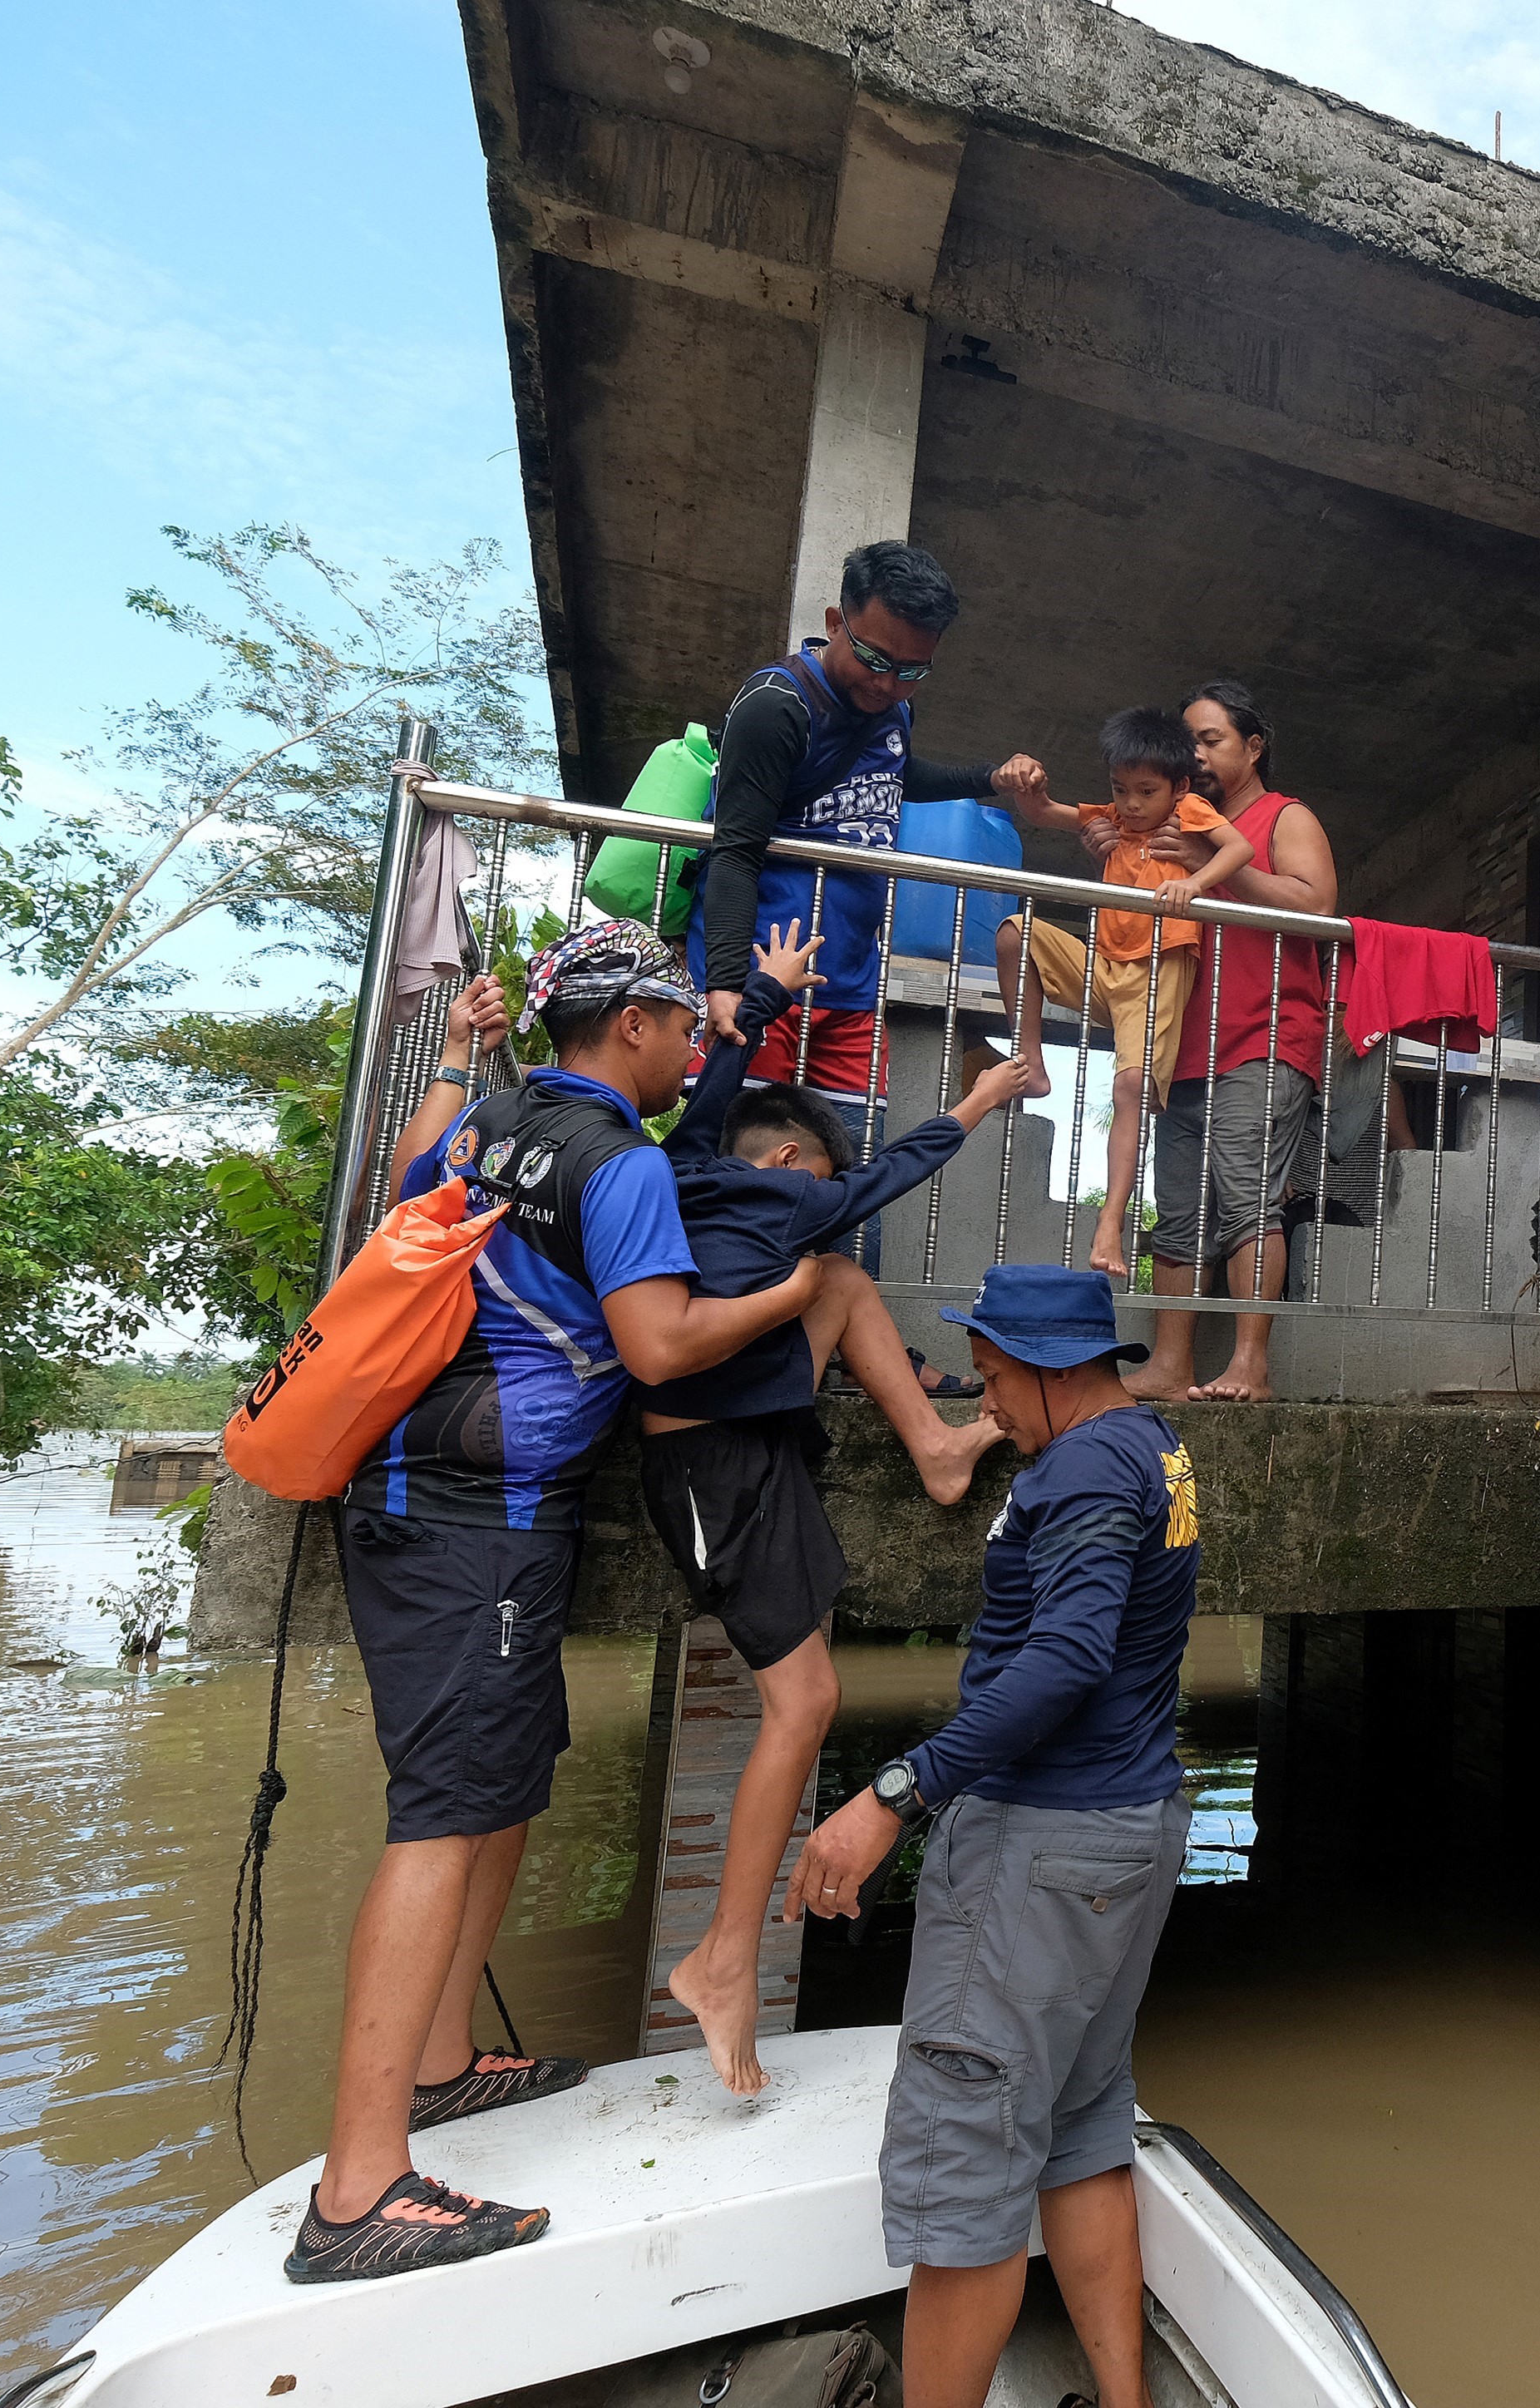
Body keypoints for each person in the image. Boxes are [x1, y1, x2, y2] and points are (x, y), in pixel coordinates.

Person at [291, 920, 836, 2284]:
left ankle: (439, 2065)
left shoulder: (494, 1115)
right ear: (637, 1025)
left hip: (445, 1493)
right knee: (446, 1809)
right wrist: (790, 1291)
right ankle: (358, 2190)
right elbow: (658, 1340)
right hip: (473, 1512)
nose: (692, 1050)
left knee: (509, 1779)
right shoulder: (621, 1158)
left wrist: (467, 1056)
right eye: (682, 1027)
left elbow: (405, 1185)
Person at [782, 1266, 1201, 2408]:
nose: (984, 1392)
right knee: (1079, 2127)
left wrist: (895, 1792)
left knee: (966, 2171)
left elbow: (1064, 1662)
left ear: (1058, 1368)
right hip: (1127, 1831)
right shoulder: (1151, 1447)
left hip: (1043, 1854)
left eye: (998, 1371)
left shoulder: (1082, 1476)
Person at [638, 920, 1034, 2095]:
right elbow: (897, 1165)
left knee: (846, 1281)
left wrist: (760, 998)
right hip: (717, 1471)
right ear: (783, 1171)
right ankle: (719, 1964)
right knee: (804, 1704)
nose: (828, 1193)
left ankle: (938, 1451)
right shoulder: (780, 1211)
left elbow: (706, 1090)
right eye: (816, 1176)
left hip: (758, 1447)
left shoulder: (689, 1165)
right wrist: (982, 1098)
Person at [689, 540, 1048, 1117]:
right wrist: (725, 983)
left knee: (851, 1178)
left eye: (911, 671)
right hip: (762, 976)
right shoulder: (776, 707)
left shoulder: (896, 710)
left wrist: (989, 776)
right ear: (836, 623)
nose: (887, 684)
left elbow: (897, 773)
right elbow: (735, 852)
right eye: (875, 659)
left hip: (850, 985)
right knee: (737, 1171)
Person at [995, 708, 1252, 1281]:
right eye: (1120, 790)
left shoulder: (1190, 812)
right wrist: (1026, 783)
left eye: (1145, 792)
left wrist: (1194, 882)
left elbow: (1240, 851)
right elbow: (1042, 812)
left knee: (1131, 1086)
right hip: (1103, 965)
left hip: (1157, 971)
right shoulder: (1111, 818)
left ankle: (1110, 1221)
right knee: (1017, 934)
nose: (1132, 804)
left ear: (1178, 787)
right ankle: (1030, 1064)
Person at [1140, 682, 1340, 1404]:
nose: (1193, 754)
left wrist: (1217, 862)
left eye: (1211, 739)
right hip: (1186, 1045)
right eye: (1186, 740)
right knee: (1179, 1210)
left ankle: (1250, 1367)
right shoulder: (1183, 820)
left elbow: (1317, 904)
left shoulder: (1283, 815)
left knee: (1248, 1201)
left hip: (1264, 1037)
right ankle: (1169, 1365)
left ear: (1253, 747)